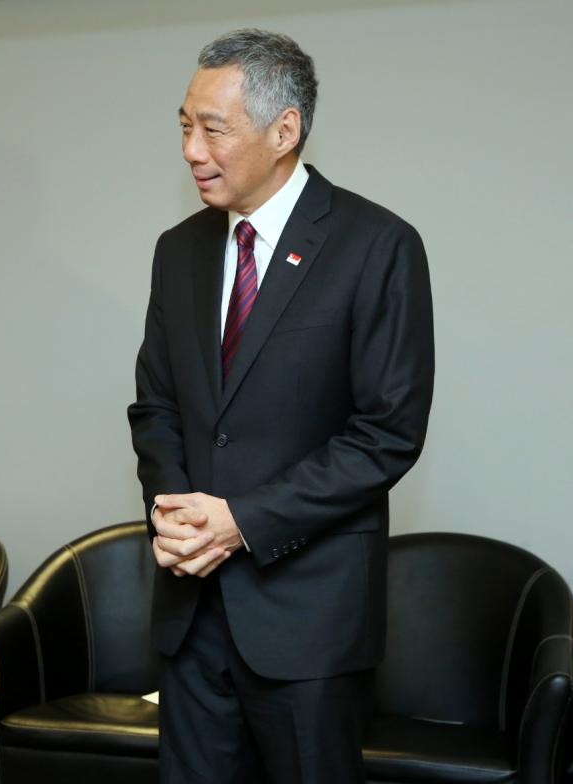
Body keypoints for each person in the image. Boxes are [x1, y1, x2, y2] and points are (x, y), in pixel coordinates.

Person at [128, 29, 435, 783]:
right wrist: (176, 515)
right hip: (192, 612)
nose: (192, 150)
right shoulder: (180, 250)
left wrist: (244, 521)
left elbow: (386, 434)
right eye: (184, 126)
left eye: (213, 129)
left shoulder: (376, 245)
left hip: (307, 622)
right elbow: (155, 406)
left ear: (284, 130)